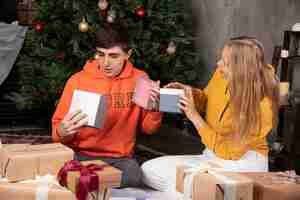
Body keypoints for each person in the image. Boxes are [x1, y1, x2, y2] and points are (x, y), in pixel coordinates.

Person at [141, 37, 280, 191]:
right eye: (221, 59)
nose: (218, 64)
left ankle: (200, 191)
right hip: (211, 156)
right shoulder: (222, 74)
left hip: (242, 163)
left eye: (225, 63)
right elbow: (206, 100)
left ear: (241, 69)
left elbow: (228, 152)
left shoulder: (262, 105)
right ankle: (198, 191)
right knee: (149, 170)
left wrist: (194, 117)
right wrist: (188, 92)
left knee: (190, 184)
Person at [52, 23, 162, 188]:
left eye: (114, 56)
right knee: (55, 171)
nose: (106, 63)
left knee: (134, 175)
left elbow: (149, 129)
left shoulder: (140, 79)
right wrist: (63, 131)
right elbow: (56, 134)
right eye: (101, 54)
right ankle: (94, 184)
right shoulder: (77, 80)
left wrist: (154, 110)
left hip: (119, 159)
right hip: (79, 155)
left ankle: (90, 185)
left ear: (128, 55)